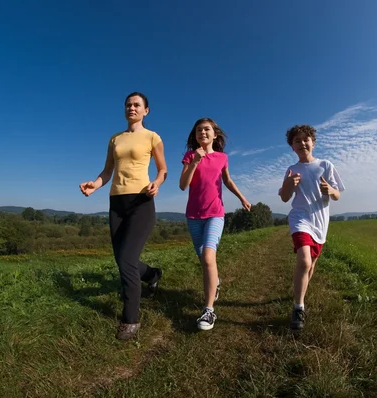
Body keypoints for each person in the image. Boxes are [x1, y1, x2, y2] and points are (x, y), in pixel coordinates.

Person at [79, 92, 167, 340]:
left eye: (137, 105)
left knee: (127, 260)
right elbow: (107, 172)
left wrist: (157, 183)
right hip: (116, 203)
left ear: (146, 111)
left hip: (141, 201)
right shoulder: (115, 139)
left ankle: (131, 320)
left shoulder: (152, 137)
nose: (132, 108)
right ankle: (152, 274)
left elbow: (163, 169)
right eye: (128, 104)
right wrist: (94, 185)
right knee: (122, 259)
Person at [179, 118, 251, 331]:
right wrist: (194, 162)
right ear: (195, 135)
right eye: (199, 130)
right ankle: (215, 282)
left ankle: (208, 310)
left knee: (209, 257)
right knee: (204, 260)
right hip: (193, 216)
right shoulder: (190, 156)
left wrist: (242, 198)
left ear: (215, 134)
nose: (203, 132)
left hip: (215, 214)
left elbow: (227, 181)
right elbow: (183, 185)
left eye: (207, 129)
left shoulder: (222, 158)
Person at [279, 124, 345, 331]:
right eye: (297, 141)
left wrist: (330, 189)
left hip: (320, 222)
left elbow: (337, 195)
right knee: (304, 260)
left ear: (313, 143)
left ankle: (301, 291)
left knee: (312, 263)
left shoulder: (326, 165)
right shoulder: (292, 170)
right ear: (292, 147)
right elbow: (284, 197)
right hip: (300, 219)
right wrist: (290, 184)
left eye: (305, 139)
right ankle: (298, 307)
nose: (302, 143)